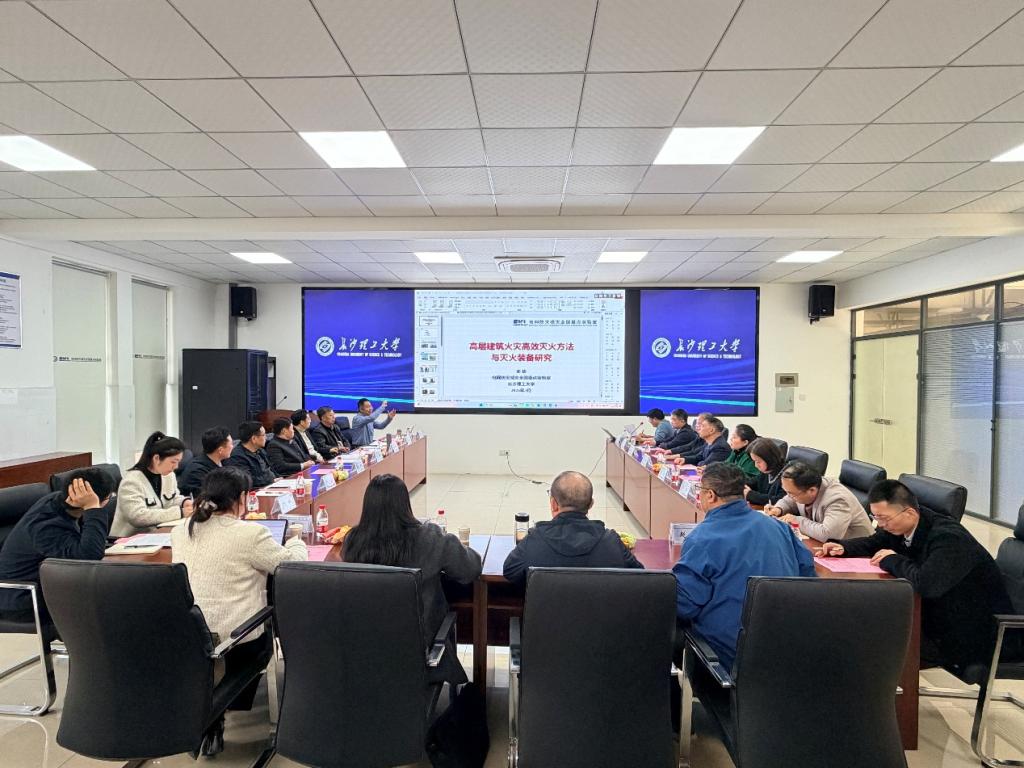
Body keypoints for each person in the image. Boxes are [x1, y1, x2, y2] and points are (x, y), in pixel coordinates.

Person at [817, 480, 1015, 676]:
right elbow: (875, 542)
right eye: (875, 517)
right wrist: (843, 547)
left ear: (909, 513)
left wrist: (892, 560)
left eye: (884, 518)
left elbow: (926, 584)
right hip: (938, 617)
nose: (881, 525)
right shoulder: (904, 524)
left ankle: (884, 693)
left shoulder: (948, 538)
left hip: (974, 633)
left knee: (876, 638)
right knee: (865, 626)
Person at [172, 467, 307, 755]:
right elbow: (291, 565)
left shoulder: (181, 529)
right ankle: (216, 711)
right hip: (235, 640)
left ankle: (213, 712)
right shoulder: (251, 534)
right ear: (242, 498)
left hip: (187, 637)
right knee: (272, 619)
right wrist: (296, 539)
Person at [674, 463, 816, 670]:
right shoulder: (780, 528)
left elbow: (685, 605)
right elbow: (808, 578)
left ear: (710, 495)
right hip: (785, 648)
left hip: (726, 657)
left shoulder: (702, 538)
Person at [343, 473, 481, 685]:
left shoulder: (353, 541)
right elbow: (470, 568)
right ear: (405, 505)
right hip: (420, 657)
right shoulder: (429, 538)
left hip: (365, 655)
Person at [0, 468, 115, 624]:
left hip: (49, 586)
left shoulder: (57, 502)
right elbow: (89, 557)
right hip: (24, 600)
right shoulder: (45, 526)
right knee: (110, 598)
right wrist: (93, 508)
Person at [503, 471, 642, 584]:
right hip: (601, 611)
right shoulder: (611, 542)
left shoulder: (535, 540)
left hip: (548, 611)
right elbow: (640, 576)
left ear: (554, 504)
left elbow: (510, 571)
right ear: (591, 504)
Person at [765, 461, 874, 541]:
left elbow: (828, 534)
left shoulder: (837, 499)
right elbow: (790, 499)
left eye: (791, 493)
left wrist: (797, 521)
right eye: (786, 492)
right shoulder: (806, 486)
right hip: (827, 546)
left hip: (859, 554)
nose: (788, 496)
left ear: (811, 490)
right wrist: (778, 509)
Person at [110, 431, 192, 537]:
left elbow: (171, 499)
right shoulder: (131, 481)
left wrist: (184, 502)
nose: (176, 467)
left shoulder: (168, 476)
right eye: (173, 462)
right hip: (129, 540)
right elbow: (138, 517)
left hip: (157, 534)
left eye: (178, 462)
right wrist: (180, 512)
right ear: (156, 458)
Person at [178, 426, 233, 498]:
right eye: (231, 444)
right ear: (220, 450)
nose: (232, 447)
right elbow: (208, 498)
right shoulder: (197, 471)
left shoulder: (223, 461)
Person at [225, 421, 278, 488]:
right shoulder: (237, 457)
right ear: (254, 439)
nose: (266, 437)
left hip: (272, 485)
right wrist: (270, 479)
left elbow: (271, 470)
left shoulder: (260, 451)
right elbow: (247, 480)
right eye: (264, 435)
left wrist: (279, 479)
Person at [744, 437, 787, 506]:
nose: (756, 465)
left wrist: (750, 495)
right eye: (754, 461)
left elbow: (780, 501)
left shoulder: (787, 475)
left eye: (758, 462)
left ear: (769, 459)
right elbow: (752, 483)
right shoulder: (766, 472)